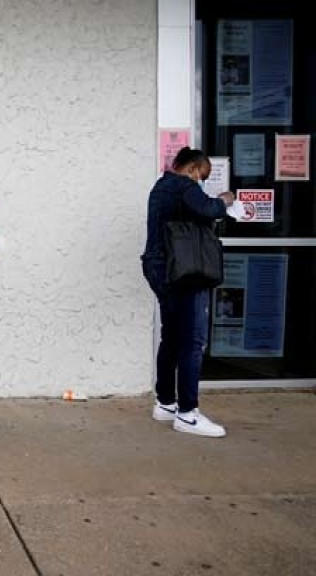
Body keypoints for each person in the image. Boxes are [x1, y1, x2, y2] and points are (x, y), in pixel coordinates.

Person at [141, 147, 235, 437]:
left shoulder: (161, 186)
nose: (201, 182)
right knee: (193, 341)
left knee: (171, 336)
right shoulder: (184, 185)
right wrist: (225, 200)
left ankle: (166, 402)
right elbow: (208, 209)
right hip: (185, 271)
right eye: (202, 176)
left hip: (161, 268)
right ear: (193, 169)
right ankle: (187, 414)